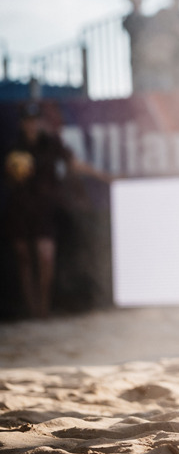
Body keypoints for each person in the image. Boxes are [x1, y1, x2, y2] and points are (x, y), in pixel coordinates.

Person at [2, 102, 110, 318]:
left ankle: (43, 309)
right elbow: (8, 181)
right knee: (24, 259)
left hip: (44, 210)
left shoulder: (51, 144)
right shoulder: (14, 148)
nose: (31, 125)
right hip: (20, 210)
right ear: (22, 124)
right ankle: (32, 310)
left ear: (40, 122)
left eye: (34, 120)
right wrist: (15, 175)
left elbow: (74, 164)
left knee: (45, 256)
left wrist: (106, 177)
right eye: (27, 121)